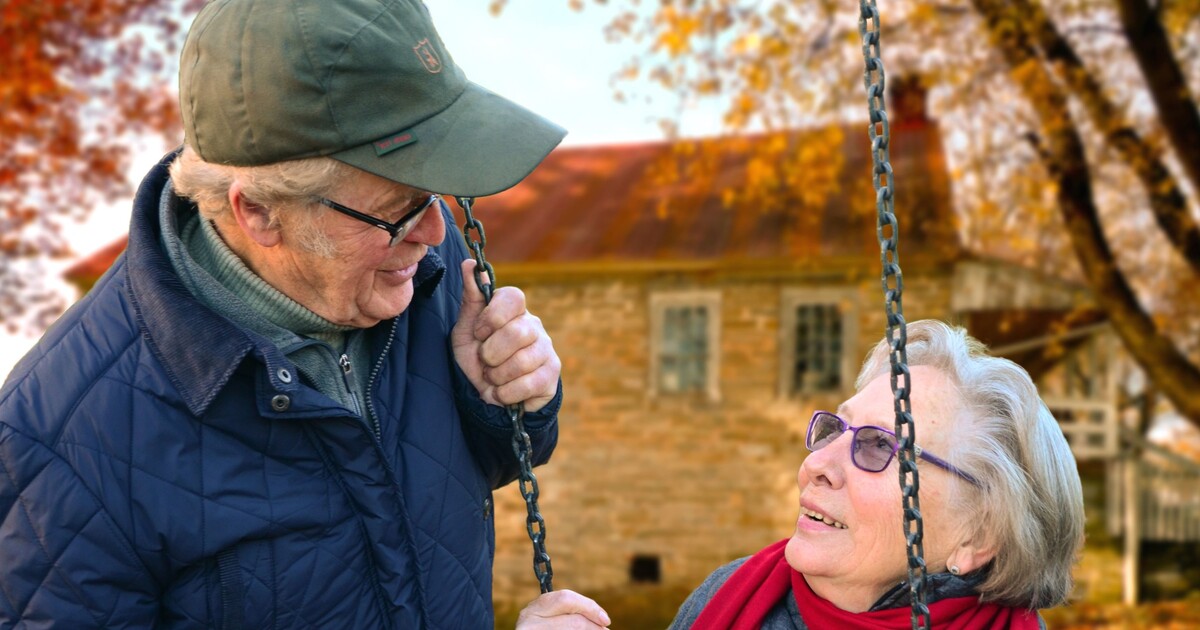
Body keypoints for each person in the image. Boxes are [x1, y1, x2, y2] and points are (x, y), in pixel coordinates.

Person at [0, 0, 608, 627]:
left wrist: (506, 404)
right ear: (259, 213)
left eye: (436, 194)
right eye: (397, 209)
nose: (434, 232)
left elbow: (459, 478)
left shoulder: (413, 263)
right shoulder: (56, 450)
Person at [669, 320, 1085, 629]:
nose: (816, 466)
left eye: (880, 445)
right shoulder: (728, 597)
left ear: (977, 537)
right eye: (836, 428)